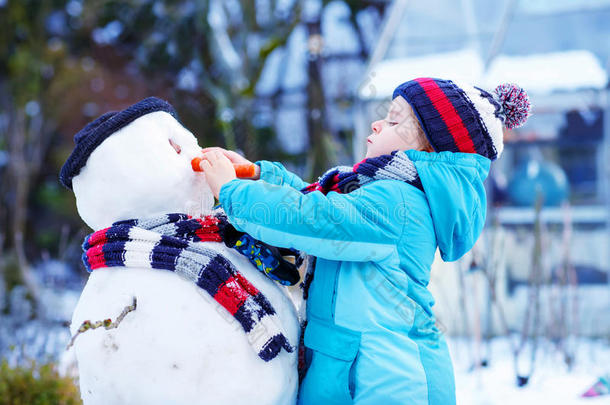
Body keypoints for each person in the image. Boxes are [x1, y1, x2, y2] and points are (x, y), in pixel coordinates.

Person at [198, 78, 530, 405]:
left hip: (393, 381)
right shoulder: (377, 193)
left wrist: (234, 193)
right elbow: (324, 207)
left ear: (427, 149)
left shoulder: (398, 204)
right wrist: (259, 177)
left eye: (393, 120)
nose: (376, 123)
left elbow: (315, 220)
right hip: (347, 369)